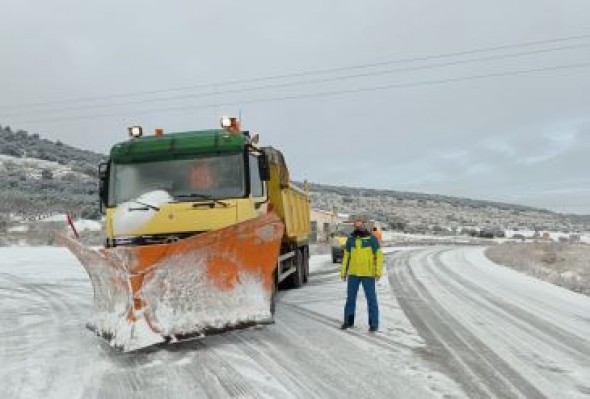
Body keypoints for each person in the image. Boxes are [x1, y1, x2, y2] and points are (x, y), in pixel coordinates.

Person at [340, 219, 384, 332]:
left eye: (360, 223)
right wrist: (343, 272)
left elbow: (379, 256)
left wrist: (378, 272)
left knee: (371, 300)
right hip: (353, 274)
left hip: (368, 274)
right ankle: (348, 321)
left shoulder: (372, 239)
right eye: (356, 223)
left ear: (364, 224)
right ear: (354, 226)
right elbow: (346, 257)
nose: (358, 225)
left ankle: (374, 324)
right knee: (350, 299)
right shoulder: (350, 240)